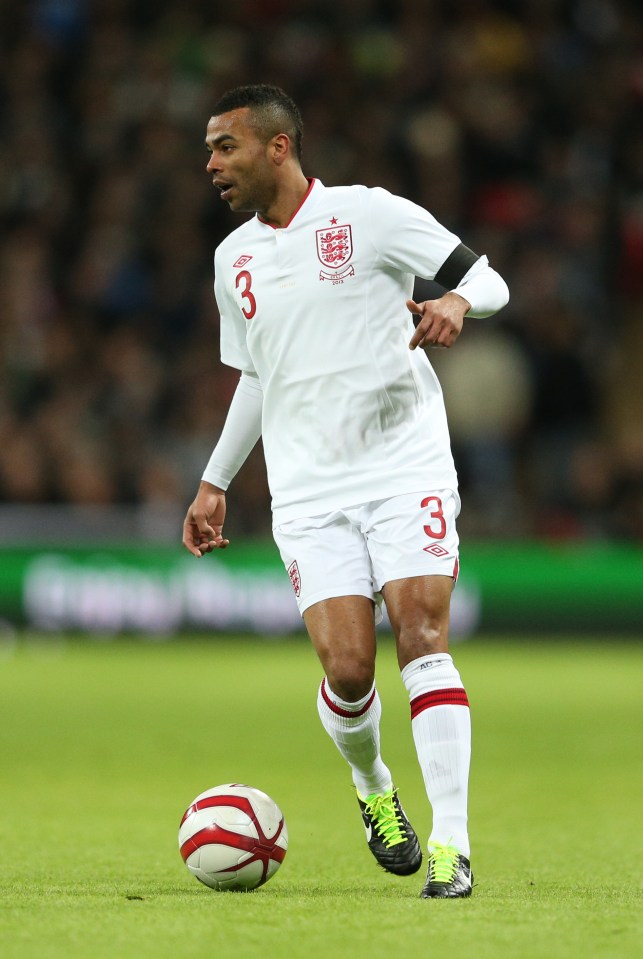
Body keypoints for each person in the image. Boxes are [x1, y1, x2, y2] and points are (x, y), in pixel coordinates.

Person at [182, 84, 509, 899]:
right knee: (349, 668)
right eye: (210, 149)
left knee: (422, 635)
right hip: (307, 488)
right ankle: (373, 790)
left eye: (226, 146)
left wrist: (456, 299)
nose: (211, 164)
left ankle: (452, 845)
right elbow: (258, 374)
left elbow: (489, 278)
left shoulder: (369, 215)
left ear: (278, 147)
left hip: (404, 464)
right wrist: (215, 479)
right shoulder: (234, 260)